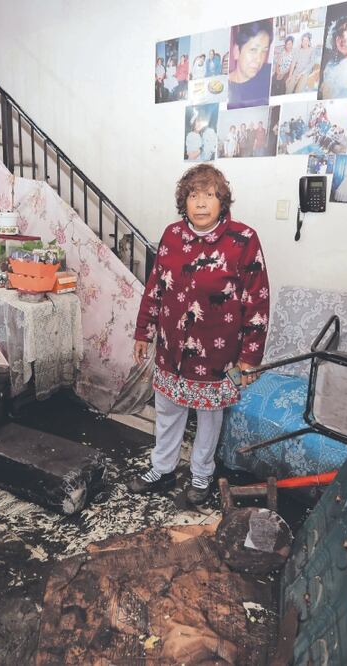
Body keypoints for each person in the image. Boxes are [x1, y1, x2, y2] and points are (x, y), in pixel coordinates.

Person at [129, 164, 270, 504]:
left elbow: (258, 301)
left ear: (223, 201)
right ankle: (162, 469)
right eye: (194, 195)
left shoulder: (243, 240)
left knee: (209, 418)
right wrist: (143, 331)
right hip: (170, 350)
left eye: (210, 195)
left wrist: (249, 357)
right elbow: (155, 286)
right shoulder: (171, 236)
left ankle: (201, 476)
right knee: (167, 411)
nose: (202, 203)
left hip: (218, 356)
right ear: (184, 201)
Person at [228, 20, 273, 109]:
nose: (259, 59)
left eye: (264, 51)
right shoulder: (224, 87)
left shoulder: (268, 74)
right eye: (253, 50)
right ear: (237, 51)